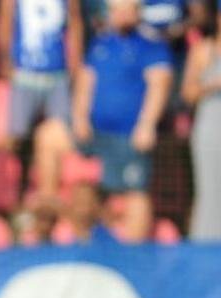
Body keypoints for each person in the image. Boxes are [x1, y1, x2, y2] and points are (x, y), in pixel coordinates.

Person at [71, 0, 172, 242]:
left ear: (138, 12)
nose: (121, 15)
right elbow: (86, 82)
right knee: (85, 187)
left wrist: (147, 125)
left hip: (130, 135)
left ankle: (134, 253)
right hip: (97, 134)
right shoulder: (101, 43)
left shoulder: (151, 45)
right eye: (117, 10)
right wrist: (79, 117)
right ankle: (86, 245)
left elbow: (160, 85)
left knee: (136, 192)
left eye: (127, 9)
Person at [0, 0, 84, 204]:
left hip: (57, 76)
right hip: (24, 75)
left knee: (60, 135)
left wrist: (75, 61)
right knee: (15, 137)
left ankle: (50, 195)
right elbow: (5, 18)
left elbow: (75, 23)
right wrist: (5, 57)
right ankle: (16, 189)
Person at [182, 0, 221, 240]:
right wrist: (212, 85)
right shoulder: (204, 50)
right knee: (211, 189)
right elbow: (188, 93)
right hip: (213, 131)